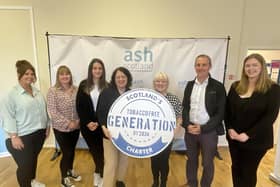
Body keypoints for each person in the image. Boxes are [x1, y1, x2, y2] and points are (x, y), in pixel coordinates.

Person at [225, 53, 280, 187]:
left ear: (262, 67)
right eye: (247, 66)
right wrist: (230, 128)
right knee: (236, 168)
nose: (251, 68)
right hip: (234, 138)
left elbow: (270, 117)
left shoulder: (273, 89)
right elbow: (227, 111)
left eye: (255, 65)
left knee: (248, 172)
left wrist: (247, 135)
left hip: (257, 141)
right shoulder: (236, 86)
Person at [0, 60, 49, 187]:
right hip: (21, 136)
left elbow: (43, 110)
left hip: (39, 133)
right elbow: (8, 116)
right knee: (25, 166)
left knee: (33, 161)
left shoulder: (36, 92)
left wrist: (47, 126)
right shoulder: (11, 95)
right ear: (19, 75)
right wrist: (14, 137)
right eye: (26, 73)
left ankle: (32, 181)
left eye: (32, 74)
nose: (30, 76)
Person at [182, 54, 226, 187]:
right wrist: (186, 125)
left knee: (207, 163)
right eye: (198, 65)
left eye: (204, 65)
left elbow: (220, 113)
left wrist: (203, 128)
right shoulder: (189, 85)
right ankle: (192, 183)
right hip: (190, 131)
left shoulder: (217, 86)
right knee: (191, 160)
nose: (200, 68)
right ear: (195, 66)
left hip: (208, 132)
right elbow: (185, 107)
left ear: (210, 66)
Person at [96, 67, 133, 187]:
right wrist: (104, 128)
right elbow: (100, 112)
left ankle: (119, 182)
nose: (121, 79)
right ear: (114, 79)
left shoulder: (132, 94)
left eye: (123, 77)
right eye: (118, 77)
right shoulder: (106, 92)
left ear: (128, 79)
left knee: (123, 161)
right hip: (109, 135)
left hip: (126, 136)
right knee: (111, 163)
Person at [47, 65, 81, 187]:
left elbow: (80, 106)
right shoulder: (53, 91)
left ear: (70, 76)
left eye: (67, 74)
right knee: (66, 153)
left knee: (72, 151)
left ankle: (70, 170)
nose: (65, 76)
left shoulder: (76, 89)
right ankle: (63, 178)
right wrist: (68, 123)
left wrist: (77, 121)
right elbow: (53, 111)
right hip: (61, 128)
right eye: (62, 74)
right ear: (58, 76)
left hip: (76, 127)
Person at [76, 58, 107, 187]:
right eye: (95, 68)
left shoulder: (107, 86)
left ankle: (98, 172)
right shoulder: (83, 85)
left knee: (102, 151)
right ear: (90, 70)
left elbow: (108, 107)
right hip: (87, 125)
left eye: (100, 68)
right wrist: (88, 122)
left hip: (102, 125)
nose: (97, 70)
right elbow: (79, 106)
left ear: (103, 70)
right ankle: (99, 173)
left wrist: (100, 123)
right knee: (95, 151)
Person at [151, 72, 182, 187]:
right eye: (158, 81)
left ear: (167, 84)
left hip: (167, 136)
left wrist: (177, 127)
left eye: (163, 81)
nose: (160, 83)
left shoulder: (173, 99)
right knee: (154, 160)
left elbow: (179, 116)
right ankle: (155, 181)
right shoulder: (148, 98)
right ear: (154, 83)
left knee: (163, 160)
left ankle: (163, 182)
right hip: (151, 136)